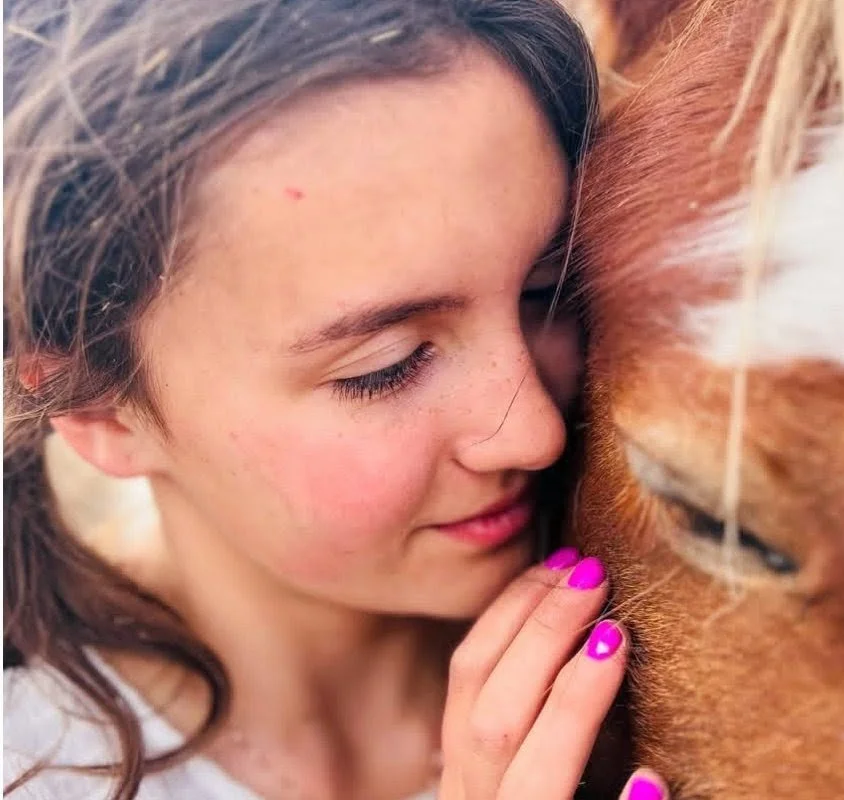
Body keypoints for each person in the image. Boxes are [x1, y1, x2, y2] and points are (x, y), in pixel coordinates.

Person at [2, 1, 668, 798]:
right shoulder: (35, 770)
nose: (533, 434)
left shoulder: (684, 677)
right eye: (385, 366)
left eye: (547, 291)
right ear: (102, 412)